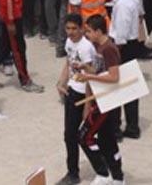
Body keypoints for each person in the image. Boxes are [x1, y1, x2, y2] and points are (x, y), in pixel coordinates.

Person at [74, 13, 125, 184]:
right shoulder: (98, 47)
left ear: (98, 31)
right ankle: (117, 177)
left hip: (106, 102)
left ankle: (104, 173)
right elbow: (98, 72)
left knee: (84, 137)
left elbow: (113, 77)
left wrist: (89, 78)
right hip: (99, 100)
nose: (86, 35)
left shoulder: (109, 49)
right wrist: (86, 68)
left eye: (88, 31)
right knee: (107, 140)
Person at [57, 14, 98, 185]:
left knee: (85, 135)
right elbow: (68, 63)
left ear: (82, 28)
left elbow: (91, 74)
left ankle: (103, 169)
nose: (71, 32)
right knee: (70, 134)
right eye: (68, 28)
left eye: (74, 28)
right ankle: (73, 172)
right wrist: (62, 82)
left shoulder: (86, 48)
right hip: (72, 91)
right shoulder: (69, 43)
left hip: (83, 93)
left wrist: (87, 104)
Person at [107, 0, 145, 138]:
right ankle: (132, 125)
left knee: (116, 88)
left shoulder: (121, 4)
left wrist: (113, 51)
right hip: (132, 44)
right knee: (130, 88)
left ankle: (115, 128)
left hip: (121, 47)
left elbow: (120, 33)